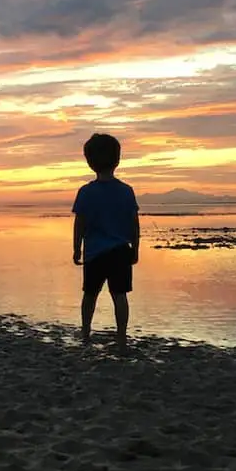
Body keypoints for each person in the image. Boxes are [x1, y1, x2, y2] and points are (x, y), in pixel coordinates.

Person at [71, 133, 140, 352]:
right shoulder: (126, 191)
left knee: (90, 294)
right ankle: (121, 337)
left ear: (90, 162)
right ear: (117, 160)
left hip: (94, 253)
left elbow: (79, 224)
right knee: (119, 295)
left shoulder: (86, 192)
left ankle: (85, 332)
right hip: (120, 251)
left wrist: (76, 248)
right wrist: (135, 249)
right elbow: (134, 224)